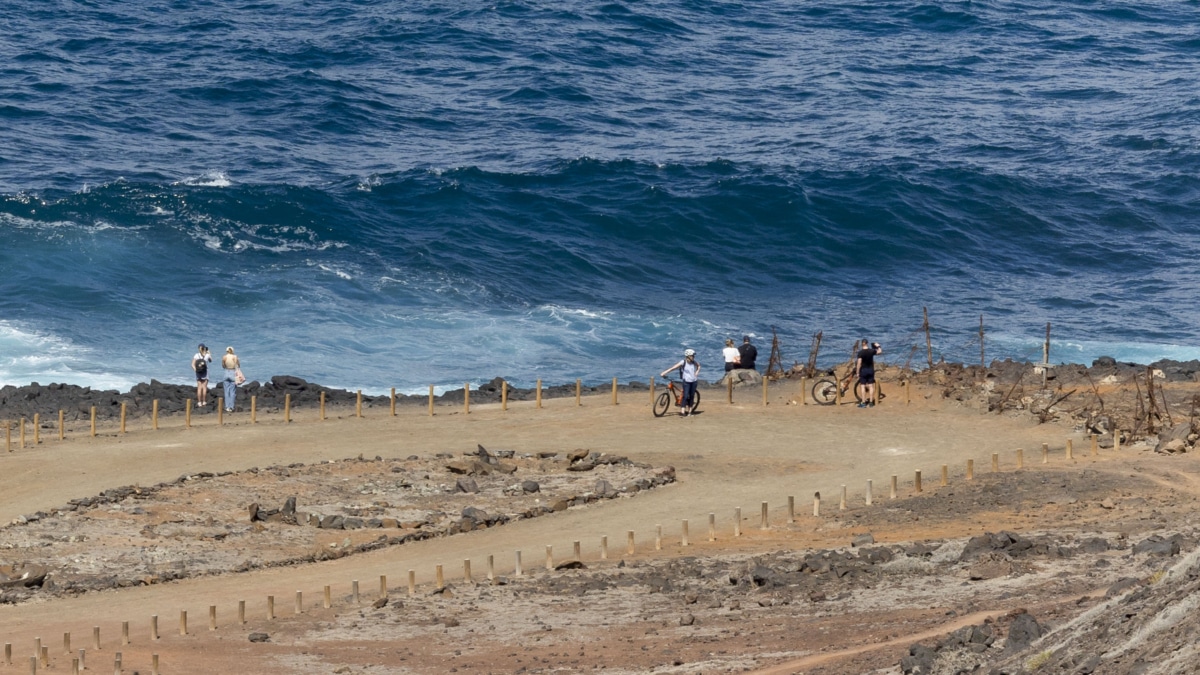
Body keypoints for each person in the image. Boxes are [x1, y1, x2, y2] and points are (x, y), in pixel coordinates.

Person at [661, 348, 701, 417]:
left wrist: (697, 372)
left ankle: (690, 412)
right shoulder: (683, 362)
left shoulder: (694, 362)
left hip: (694, 381)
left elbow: (699, 366)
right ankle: (682, 411)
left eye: (693, 356)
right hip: (686, 381)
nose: (693, 357)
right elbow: (673, 368)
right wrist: (664, 372)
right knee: (685, 396)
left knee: (691, 396)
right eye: (692, 355)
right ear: (688, 356)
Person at [855, 340, 882, 408]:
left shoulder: (860, 352)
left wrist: (857, 372)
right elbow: (880, 352)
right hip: (870, 370)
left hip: (863, 370)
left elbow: (859, 363)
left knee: (862, 386)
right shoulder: (871, 351)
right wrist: (878, 346)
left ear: (862, 344)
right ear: (867, 343)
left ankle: (863, 402)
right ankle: (871, 402)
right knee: (871, 386)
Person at [221, 346, 242, 413]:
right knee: (232, 391)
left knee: (227, 391)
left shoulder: (224, 357)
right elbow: (238, 365)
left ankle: (227, 407)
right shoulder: (235, 357)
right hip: (233, 372)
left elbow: (223, 366)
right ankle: (231, 407)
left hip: (226, 372)